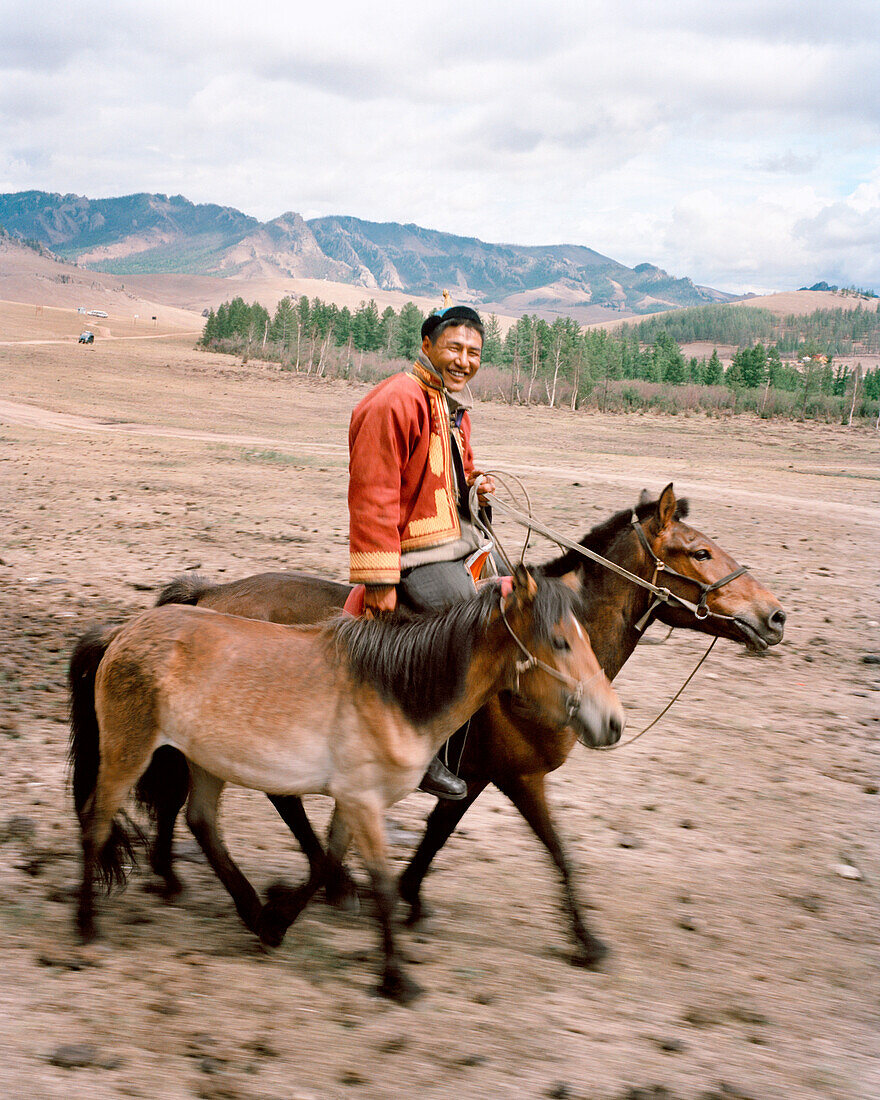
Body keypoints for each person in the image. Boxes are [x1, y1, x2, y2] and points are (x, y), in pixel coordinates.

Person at [348, 302, 495, 799]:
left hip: (454, 545)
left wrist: (477, 485)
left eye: (474, 352)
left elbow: (453, 471)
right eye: (454, 347)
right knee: (466, 621)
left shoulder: (451, 407)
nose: (464, 360)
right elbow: (373, 494)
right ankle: (420, 747)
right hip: (413, 556)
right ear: (427, 345)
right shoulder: (394, 401)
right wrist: (380, 580)